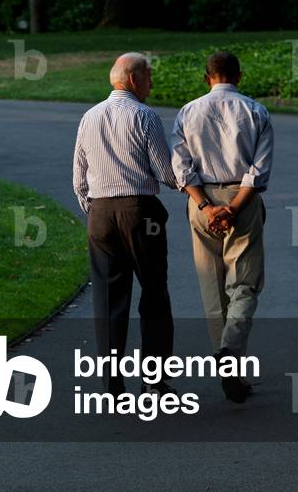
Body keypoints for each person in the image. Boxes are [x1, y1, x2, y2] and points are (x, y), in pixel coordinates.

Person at [170, 51, 273, 403]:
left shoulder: (187, 112)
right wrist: (231, 208)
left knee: (211, 287)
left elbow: (181, 169)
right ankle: (232, 352)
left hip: (201, 203)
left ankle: (227, 364)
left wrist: (207, 206)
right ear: (239, 76)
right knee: (244, 283)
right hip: (241, 201)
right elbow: (257, 172)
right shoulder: (256, 112)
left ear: (206, 78)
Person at [72, 52, 177, 396]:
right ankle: (155, 380)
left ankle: (112, 386)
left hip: (100, 213)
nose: (152, 83)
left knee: (107, 298)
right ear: (133, 79)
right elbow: (165, 173)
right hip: (140, 211)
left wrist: (95, 210)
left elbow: (79, 179)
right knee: (154, 292)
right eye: (148, 76)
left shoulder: (89, 117)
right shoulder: (145, 116)